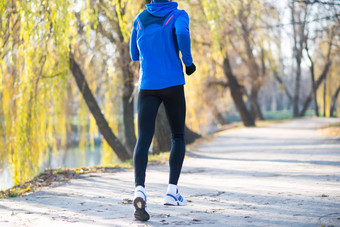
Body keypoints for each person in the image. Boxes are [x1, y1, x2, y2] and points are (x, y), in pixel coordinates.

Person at [130, 0, 196, 221]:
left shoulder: (139, 19)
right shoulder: (178, 14)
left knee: (143, 140)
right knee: (177, 135)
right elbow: (182, 35)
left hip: (148, 86)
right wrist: (188, 62)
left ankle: (139, 189)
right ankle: (171, 190)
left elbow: (134, 55)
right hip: (172, 84)